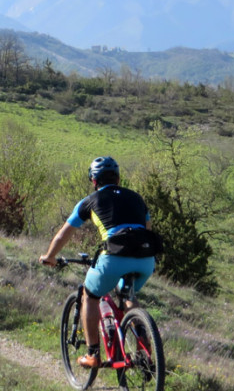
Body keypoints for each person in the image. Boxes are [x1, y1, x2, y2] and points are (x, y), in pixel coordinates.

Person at [39, 156, 156, 369]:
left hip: (114, 256)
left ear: (94, 181)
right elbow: (147, 230)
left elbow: (62, 236)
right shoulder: (138, 198)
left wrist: (50, 256)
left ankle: (92, 353)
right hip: (146, 259)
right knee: (127, 294)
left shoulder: (89, 201)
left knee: (90, 296)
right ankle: (143, 346)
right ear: (118, 178)